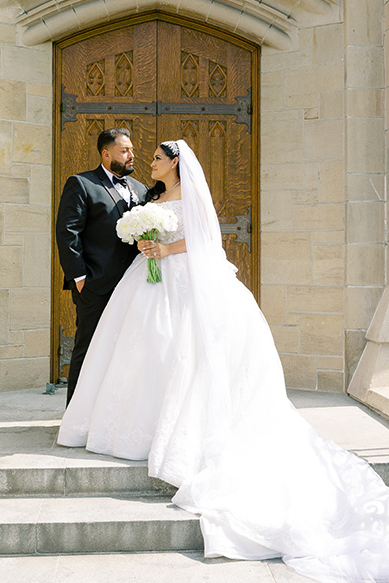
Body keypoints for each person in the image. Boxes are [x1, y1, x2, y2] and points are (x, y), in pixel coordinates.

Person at [58, 139, 389, 583]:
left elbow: (203, 240)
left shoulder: (188, 194)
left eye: (156, 157)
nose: (149, 161)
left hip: (183, 281)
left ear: (175, 162)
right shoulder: (149, 195)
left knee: (182, 353)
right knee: (142, 350)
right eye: (146, 156)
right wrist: (145, 242)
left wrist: (163, 249)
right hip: (147, 282)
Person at [55, 128, 147, 404]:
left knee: (126, 350)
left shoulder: (140, 189)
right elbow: (67, 232)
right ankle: (75, 413)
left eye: (131, 150)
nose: (131, 155)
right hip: (95, 285)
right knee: (88, 347)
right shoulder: (82, 184)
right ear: (106, 154)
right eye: (124, 151)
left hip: (133, 285)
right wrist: (80, 277)